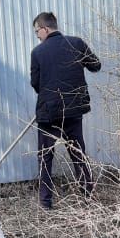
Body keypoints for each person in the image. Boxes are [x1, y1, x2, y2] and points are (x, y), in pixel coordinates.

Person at [30, 12, 101, 210]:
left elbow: (35, 84)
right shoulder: (76, 44)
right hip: (73, 111)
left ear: (45, 28)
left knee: (45, 158)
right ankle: (88, 195)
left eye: (37, 32)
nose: (37, 36)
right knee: (78, 153)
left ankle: (45, 203)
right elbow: (96, 66)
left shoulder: (37, 53)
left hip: (48, 114)